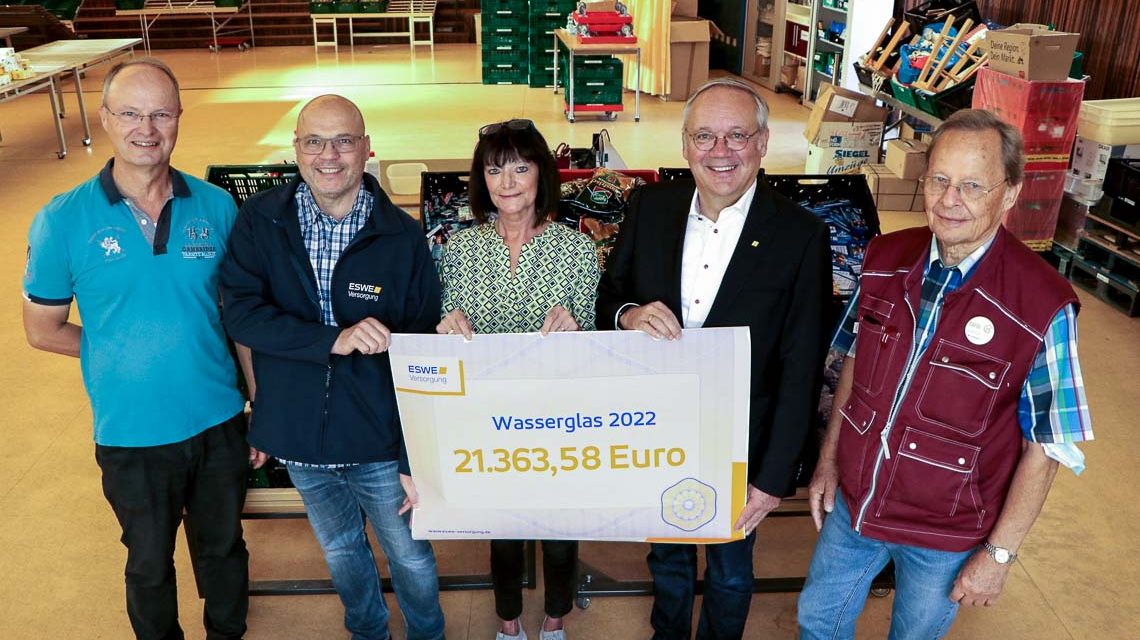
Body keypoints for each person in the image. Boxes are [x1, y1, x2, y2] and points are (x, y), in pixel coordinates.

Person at [797, 109, 1094, 639]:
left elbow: (1048, 447)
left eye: (972, 185)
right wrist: (828, 461)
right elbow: (855, 364)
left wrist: (999, 555)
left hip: (945, 530)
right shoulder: (884, 258)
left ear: (1009, 193)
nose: (950, 199)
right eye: (939, 179)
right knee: (818, 619)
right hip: (856, 502)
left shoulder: (1043, 304)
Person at [22, 57, 250, 640]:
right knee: (149, 564)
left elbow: (240, 317)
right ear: (103, 118)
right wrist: (116, 350)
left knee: (224, 549)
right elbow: (43, 329)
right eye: (130, 113)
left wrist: (259, 401)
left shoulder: (217, 207)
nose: (146, 128)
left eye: (160, 114)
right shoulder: (61, 220)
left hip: (219, 420)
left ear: (179, 119)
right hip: (131, 434)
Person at [596, 78, 832, 640]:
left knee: (729, 568)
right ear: (685, 144)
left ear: (763, 143)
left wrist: (773, 479)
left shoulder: (801, 235)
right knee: (668, 556)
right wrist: (629, 314)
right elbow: (609, 297)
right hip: (656, 428)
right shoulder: (651, 207)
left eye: (737, 136)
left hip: (743, 440)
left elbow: (801, 368)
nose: (720, 151)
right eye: (704, 136)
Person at [219, 95, 446, 640]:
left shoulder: (402, 237)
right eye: (314, 142)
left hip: (377, 439)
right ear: (296, 149)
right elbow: (241, 313)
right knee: (341, 550)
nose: (329, 156)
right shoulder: (261, 219)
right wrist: (332, 340)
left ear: (367, 149)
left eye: (343, 141)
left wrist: (411, 452)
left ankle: (428, 634)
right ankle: (367, 632)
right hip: (300, 435)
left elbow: (420, 350)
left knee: (410, 554)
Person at [435, 118, 600, 640]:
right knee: (502, 527)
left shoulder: (576, 250)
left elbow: (598, 347)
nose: (506, 182)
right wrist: (444, 325)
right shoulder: (459, 249)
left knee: (560, 527)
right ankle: (508, 620)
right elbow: (443, 325)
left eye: (520, 169)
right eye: (493, 170)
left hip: (559, 419)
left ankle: (555, 616)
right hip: (488, 419)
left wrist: (577, 327)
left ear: (541, 175)